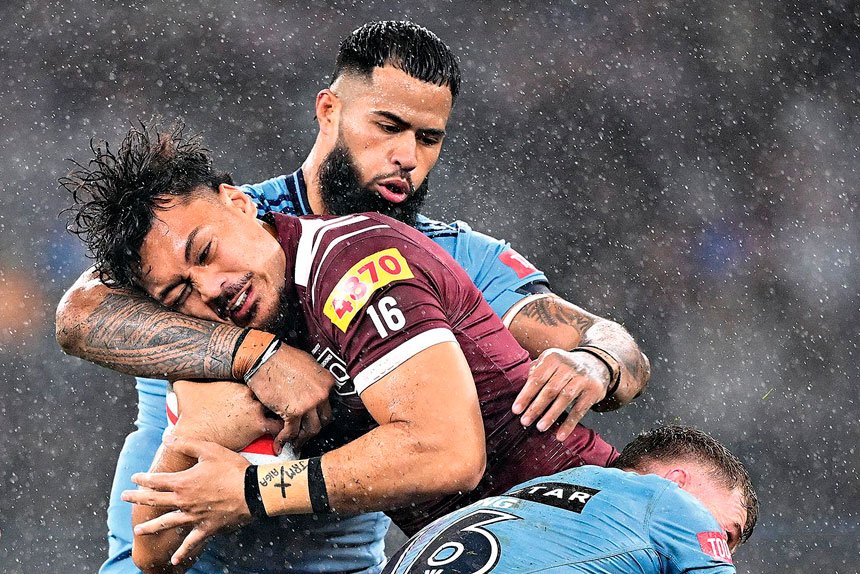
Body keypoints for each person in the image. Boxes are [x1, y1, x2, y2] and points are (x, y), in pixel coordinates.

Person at [56, 21, 650, 574]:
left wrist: (594, 361)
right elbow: (79, 315)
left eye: (428, 138)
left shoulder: (451, 256)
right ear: (329, 110)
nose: (407, 158)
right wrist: (255, 355)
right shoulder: (217, 231)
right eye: (388, 127)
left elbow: (612, 344)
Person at [382, 425, 759, 573]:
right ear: (675, 482)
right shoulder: (671, 503)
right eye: (727, 534)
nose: (724, 553)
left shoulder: (527, 494)